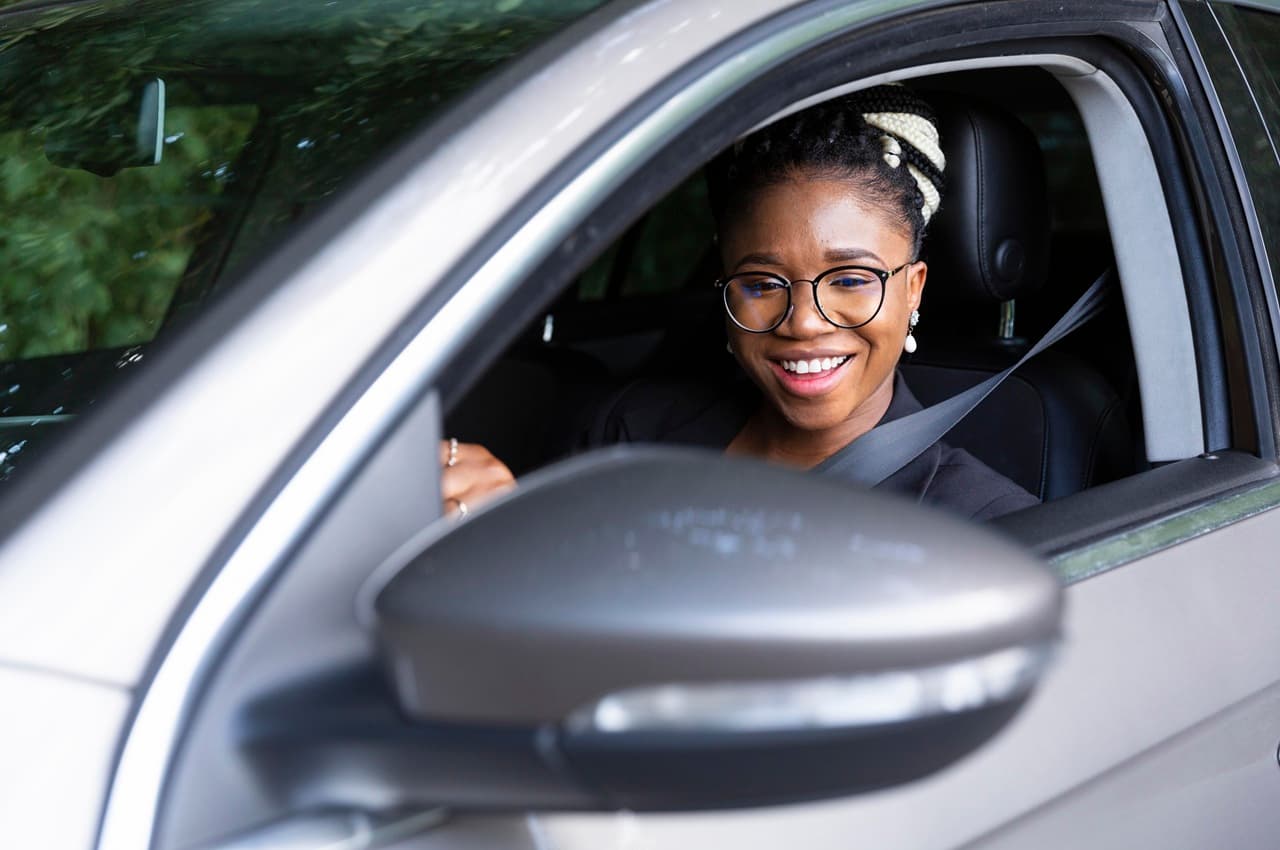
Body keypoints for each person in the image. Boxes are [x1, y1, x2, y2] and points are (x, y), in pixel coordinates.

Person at [440, 86, 1038, 522]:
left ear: (913, 289)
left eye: (851, 280)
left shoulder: (984, 526)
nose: (803, 322)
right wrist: (494, 525)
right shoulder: (632, 431)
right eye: (761, 284)